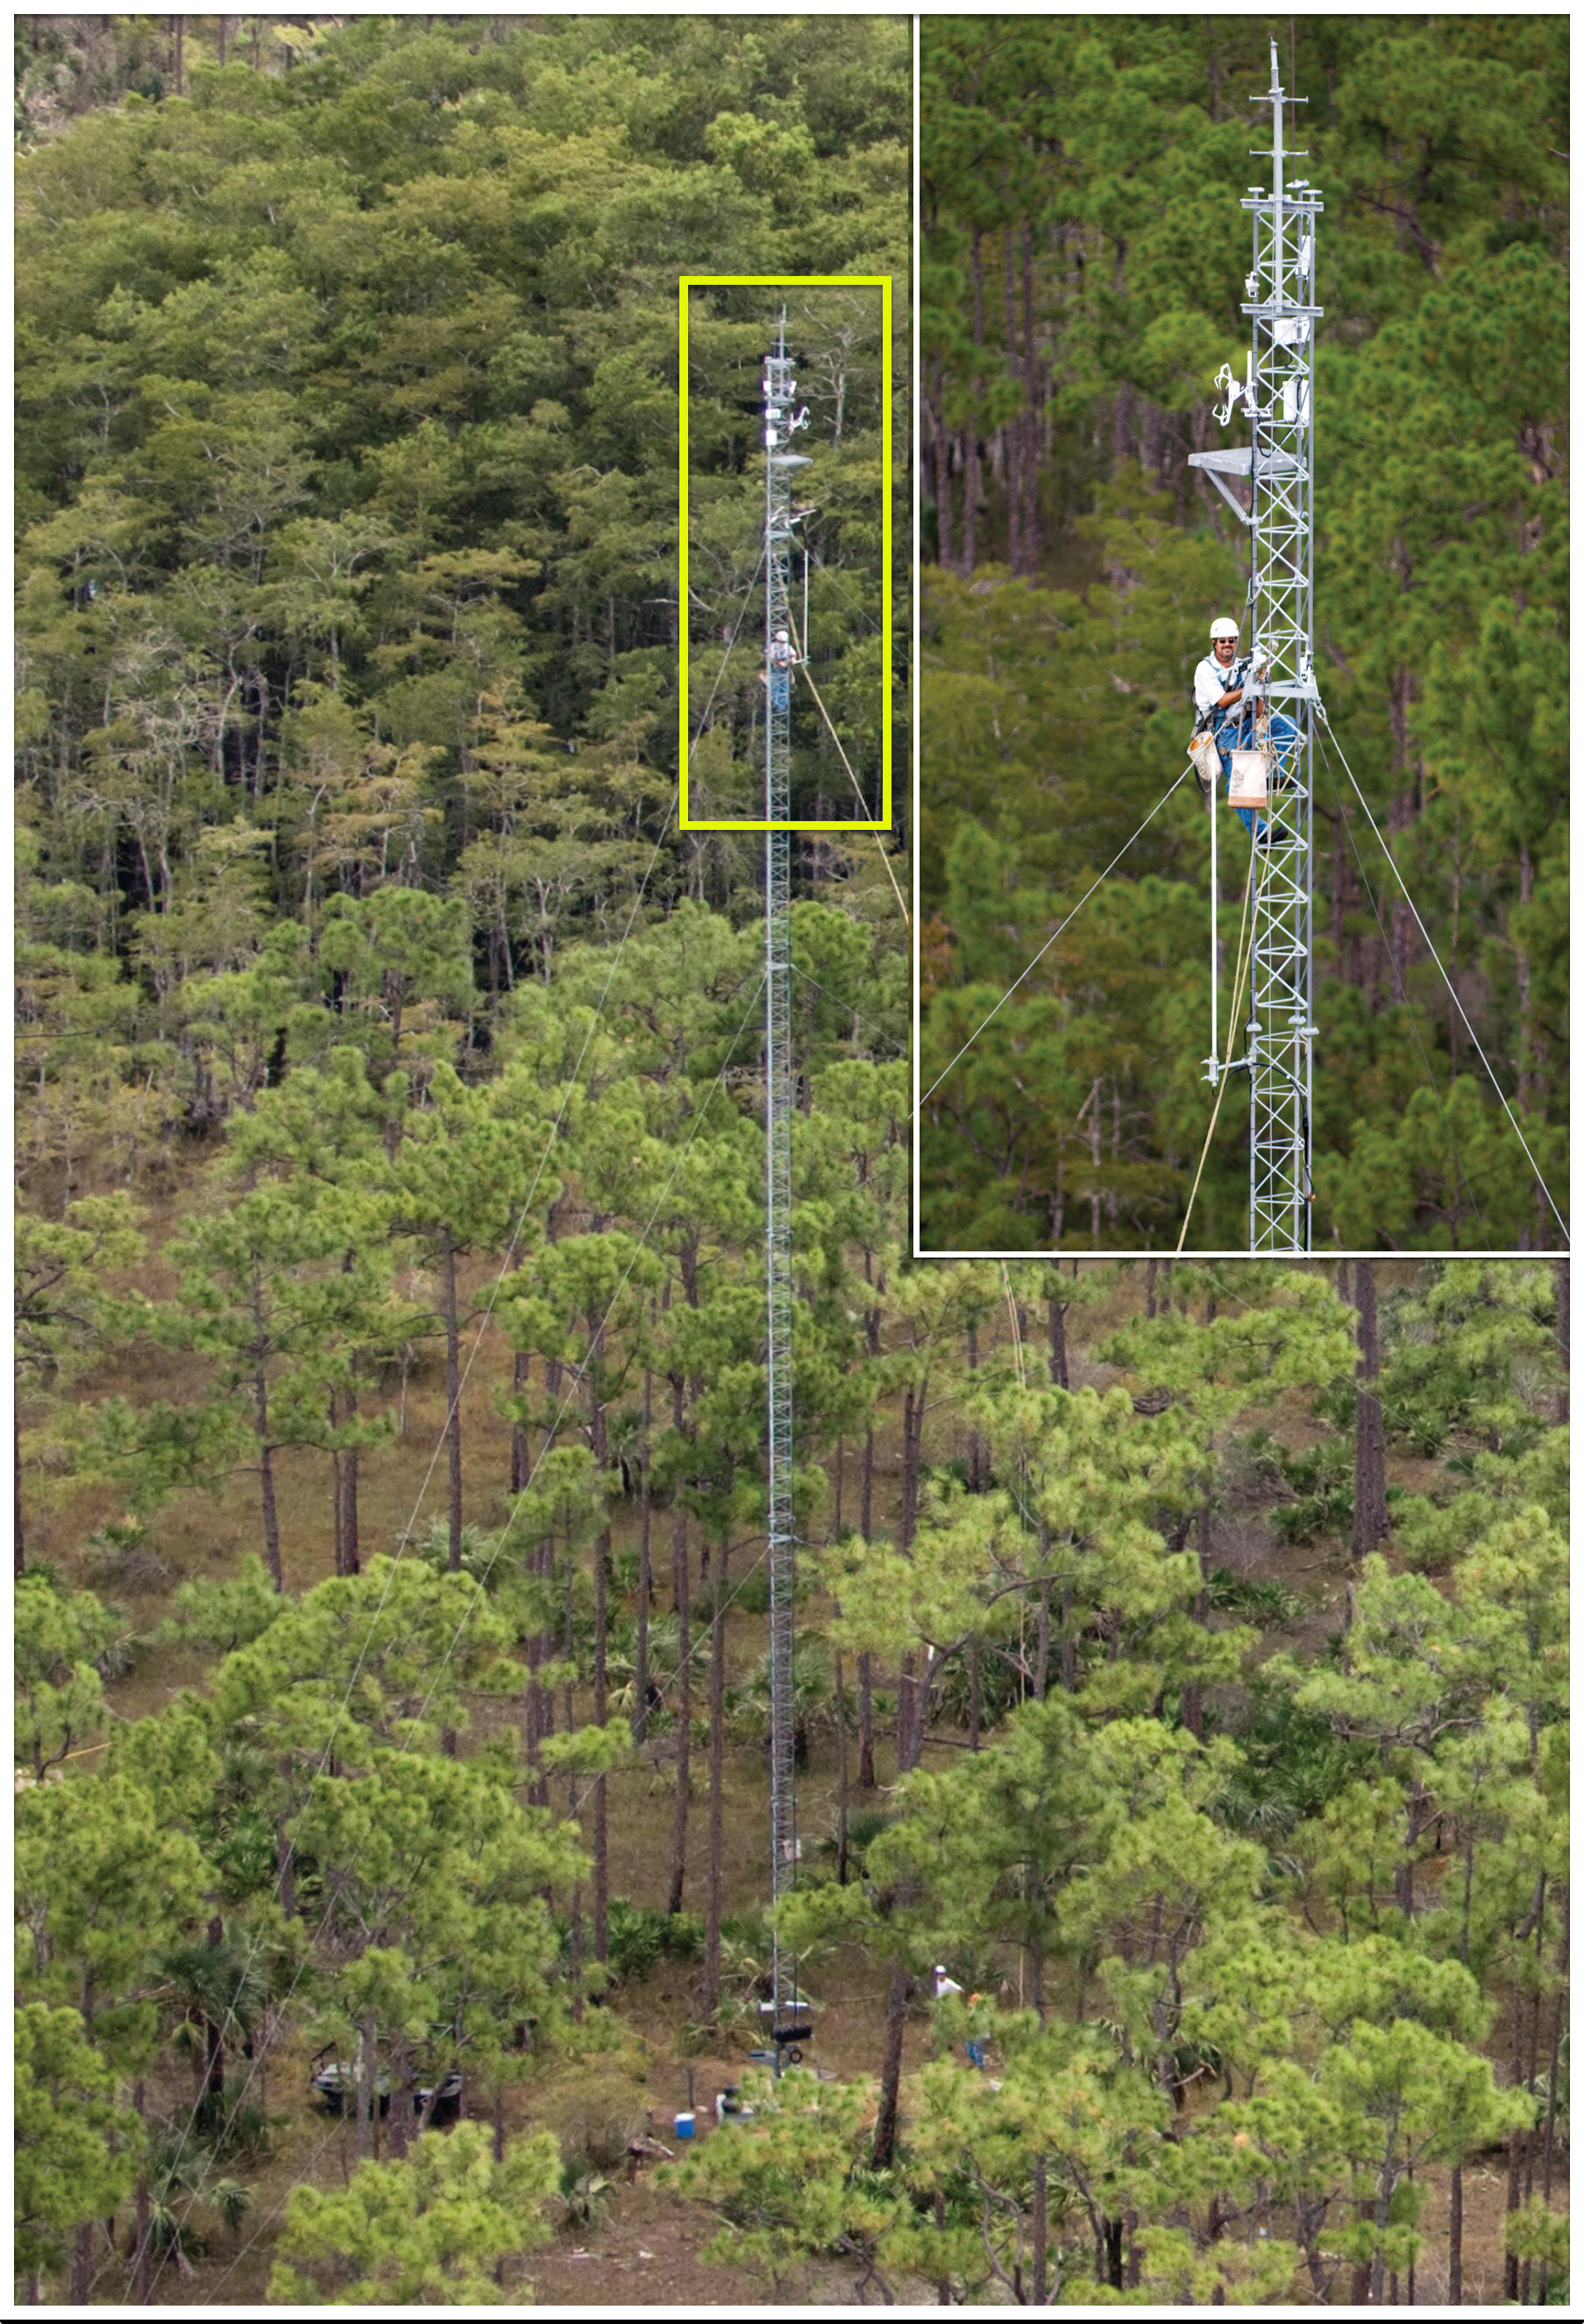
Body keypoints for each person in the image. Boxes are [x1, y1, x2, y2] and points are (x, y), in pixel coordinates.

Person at [1190, 617, 1297, 841]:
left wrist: (1259, 681)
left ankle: (1274, 775)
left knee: (1286, 724)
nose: (1227, 645)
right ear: (1214, 643)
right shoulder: (1206, 669)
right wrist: (1248, 687)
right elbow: (1221, 701)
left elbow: (1258, 711)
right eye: (1223, 641)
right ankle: (1261, 833)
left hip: (1246, 721)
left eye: (1231, 641)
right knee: (1238, 780)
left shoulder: (1242, 667)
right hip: (1223, 732)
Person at [766, 627, 795, 713]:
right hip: (775, 669)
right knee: (775, 687)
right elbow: (771, 658)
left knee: (784, 687)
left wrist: (792, 660)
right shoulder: (773, 647)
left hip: (784, 669)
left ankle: (782, 706)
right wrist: (779, 663)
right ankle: (776, 705)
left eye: (784, 642)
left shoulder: (787, 647)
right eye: (781, 642)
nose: (783, 643)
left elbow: (793, 654)